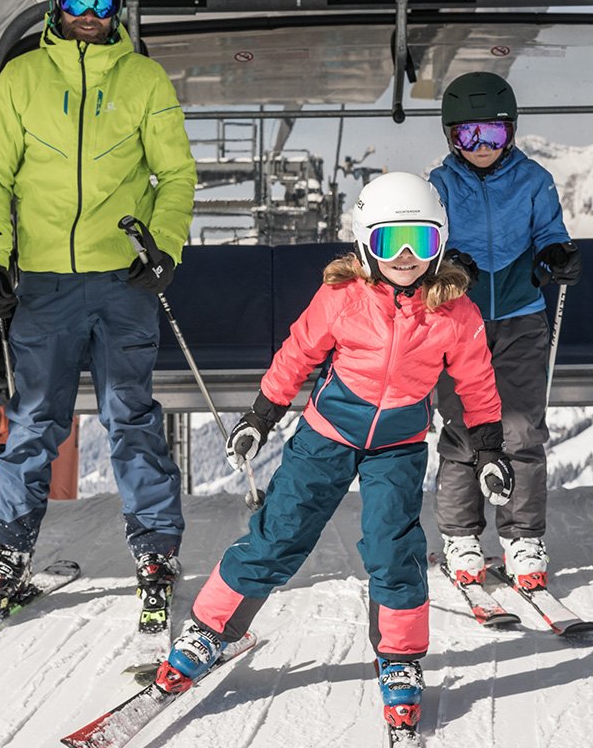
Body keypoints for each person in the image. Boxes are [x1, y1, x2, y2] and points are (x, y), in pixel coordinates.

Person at [151, 172, 512, 736]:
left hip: (397, 445)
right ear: (368, 243)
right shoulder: (343, 297)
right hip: (326, 434)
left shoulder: (454, 312)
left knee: (394, 548)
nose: (408, 257)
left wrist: (490, 448)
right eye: (393, 243)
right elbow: (298, 354)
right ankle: (208, 630)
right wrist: (261, 416)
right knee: (279, 531)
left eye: (423, 241)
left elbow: (477, 384)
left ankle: (399, 658)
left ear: (441, 243)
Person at [0, 0, 197, 626]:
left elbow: (175, 176)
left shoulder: (144, 81)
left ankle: (155, 547)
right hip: (41, 281)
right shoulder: (21, 81)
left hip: (120, 277)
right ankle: (7, 552)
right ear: (57, 5)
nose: (89, 15)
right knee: (35, 418)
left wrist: (165, 247)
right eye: (76, 2)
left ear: (118, 8)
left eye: (102, 3)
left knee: (130, 417)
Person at [426, 72, 580, 593]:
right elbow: (425, 247)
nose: (482, 148)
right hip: (456, 322)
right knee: (466, 429)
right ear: (451, 137)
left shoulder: (534, 181)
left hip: (520, 316)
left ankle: (522, 535)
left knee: (521, 429)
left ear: (510, 132)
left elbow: (548, 233)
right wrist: (449, 261)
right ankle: (461, 535)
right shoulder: (440, 186)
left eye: (492, 135)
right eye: (469, 137)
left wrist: (556, 253)